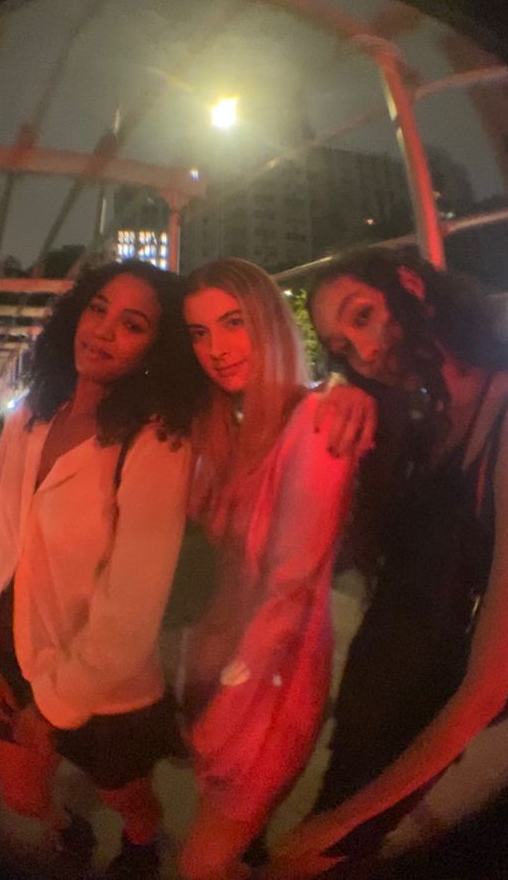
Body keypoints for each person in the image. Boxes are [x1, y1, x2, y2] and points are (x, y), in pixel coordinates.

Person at [265, 246, 508, 879]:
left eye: (365, 315)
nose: (365, 348)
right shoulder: (418, 415)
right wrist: (344, 388)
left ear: (411, 284)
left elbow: (486, 687)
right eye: (343, 344)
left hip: (421, 716)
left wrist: (343, 821)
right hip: (370, 682)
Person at [0, 260, 206, 879]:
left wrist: (53, 708)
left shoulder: (155, 440)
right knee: (22, 797)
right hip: (11, 651)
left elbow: (132, 603)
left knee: (125, 794)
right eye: (98, 308)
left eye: (132, 324)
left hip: (106, 682)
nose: (101, 330)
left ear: (157, 347)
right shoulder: (32, 413)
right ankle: (65, 827)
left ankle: (142, 840)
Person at [176, 259, 363, 880]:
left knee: (200, 865)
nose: (216, 349)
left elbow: (289, 589)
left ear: (271, 325)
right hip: (214, 681)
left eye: (234, 323)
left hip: (266, 697)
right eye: (199, 333)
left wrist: (220, 713)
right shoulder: (226, 430)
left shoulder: (315, 423)